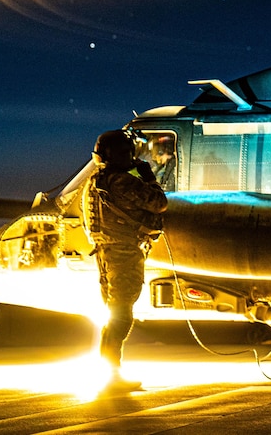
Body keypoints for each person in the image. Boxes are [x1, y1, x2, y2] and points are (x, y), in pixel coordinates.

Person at [84, 129, 168, 391]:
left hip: (105, 254)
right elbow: (159, 202)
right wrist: (148, 177)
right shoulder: (121, 182)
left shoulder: (94, 182)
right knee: (121, 315)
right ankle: (112, 375)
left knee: (114, 313)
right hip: (122, 254)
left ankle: (110, 372)